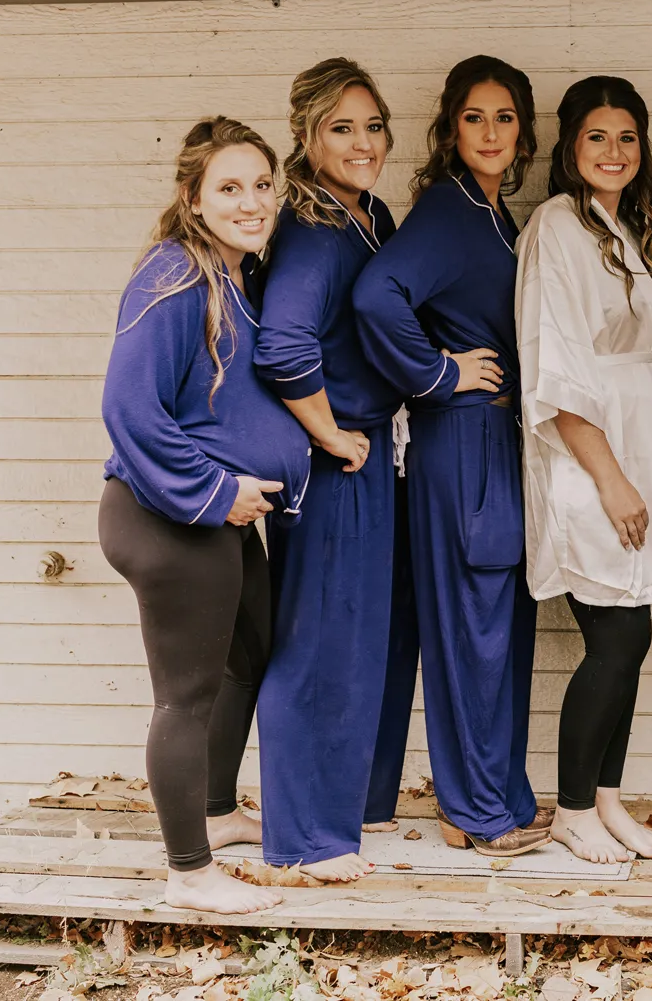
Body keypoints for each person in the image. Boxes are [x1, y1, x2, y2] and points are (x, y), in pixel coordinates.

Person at [98, 116, 309, 914]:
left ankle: (217, 814)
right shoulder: (175, 276)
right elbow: (130, 408)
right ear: (192, 196)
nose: (252, 202)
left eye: (262, 185)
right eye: (230, 187)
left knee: (246, 653)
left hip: (216, 520)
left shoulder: (231, 276)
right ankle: (189, 871)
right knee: (184, 695)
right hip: (167, 519)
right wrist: (218, 493)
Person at [354, 56, 550, 856]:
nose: (492, 132)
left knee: (502, 620)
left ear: (525, 131)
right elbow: (376, 294)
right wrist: (438, 374)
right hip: (460, 443)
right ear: (450, 128)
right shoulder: (447, 209)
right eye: (475, 117)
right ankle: (473, 809)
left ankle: (496, 792)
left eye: (505, 117)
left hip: (495, 446)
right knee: (473, 624)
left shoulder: (497, 216)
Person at [516, 76, 652, 865]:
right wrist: (612, 479)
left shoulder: (618, 228)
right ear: (569, 148)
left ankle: (607, 799)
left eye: (628, 137)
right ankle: (572, 808)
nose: (614, 151)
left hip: (635, 448)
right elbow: (555, 368)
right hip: (588, 454)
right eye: (597, 137)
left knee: (634, 636)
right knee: (614, 638)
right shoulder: (557, 226)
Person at [253, 58, 418, 880]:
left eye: (373, 125)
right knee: (316, 643)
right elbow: (283, 345)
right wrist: (329, 432)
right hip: (334, 470)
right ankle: (305, 837)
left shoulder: (369, 214)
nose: (362, 143)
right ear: (308, 138)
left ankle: (350, 807)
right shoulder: (314, 229)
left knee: (365, 640)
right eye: (341, 128)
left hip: (374, 456)